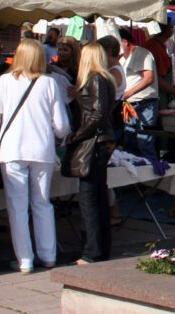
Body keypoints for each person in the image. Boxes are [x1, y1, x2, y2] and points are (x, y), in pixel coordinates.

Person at [0, 39, 71, 274]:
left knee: (17, 206)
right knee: (42, 203)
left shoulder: (4, 81)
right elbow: (62, 124)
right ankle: (48, 254)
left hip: (13, 149)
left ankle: (25, 259)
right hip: (42, 149)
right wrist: (58, 137)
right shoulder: (49, 83)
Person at [65, 44, 117, 264]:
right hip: (100, 142)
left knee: (89, 199)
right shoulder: (103, 79)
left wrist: (77, 135)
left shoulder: (95, 78)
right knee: (97, 196)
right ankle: (100, 248)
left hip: (93, 142)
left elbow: (97, 115)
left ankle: (91, 251)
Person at [119, 28, 158, 159]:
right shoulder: (122, 59)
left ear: (124, 42)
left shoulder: (142, 53)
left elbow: (148, 78)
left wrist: (127, 93)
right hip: (129, 105)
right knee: (129, 142)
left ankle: (153, 173)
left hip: (145, 104)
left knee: (144, 143)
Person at [144, 23, 175, 100]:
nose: (173, 27)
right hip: (155, 96)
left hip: (156, 95)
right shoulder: (155, 47)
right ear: (166, 29)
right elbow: (158, 79)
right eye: (171, 26)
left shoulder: (156, 44)